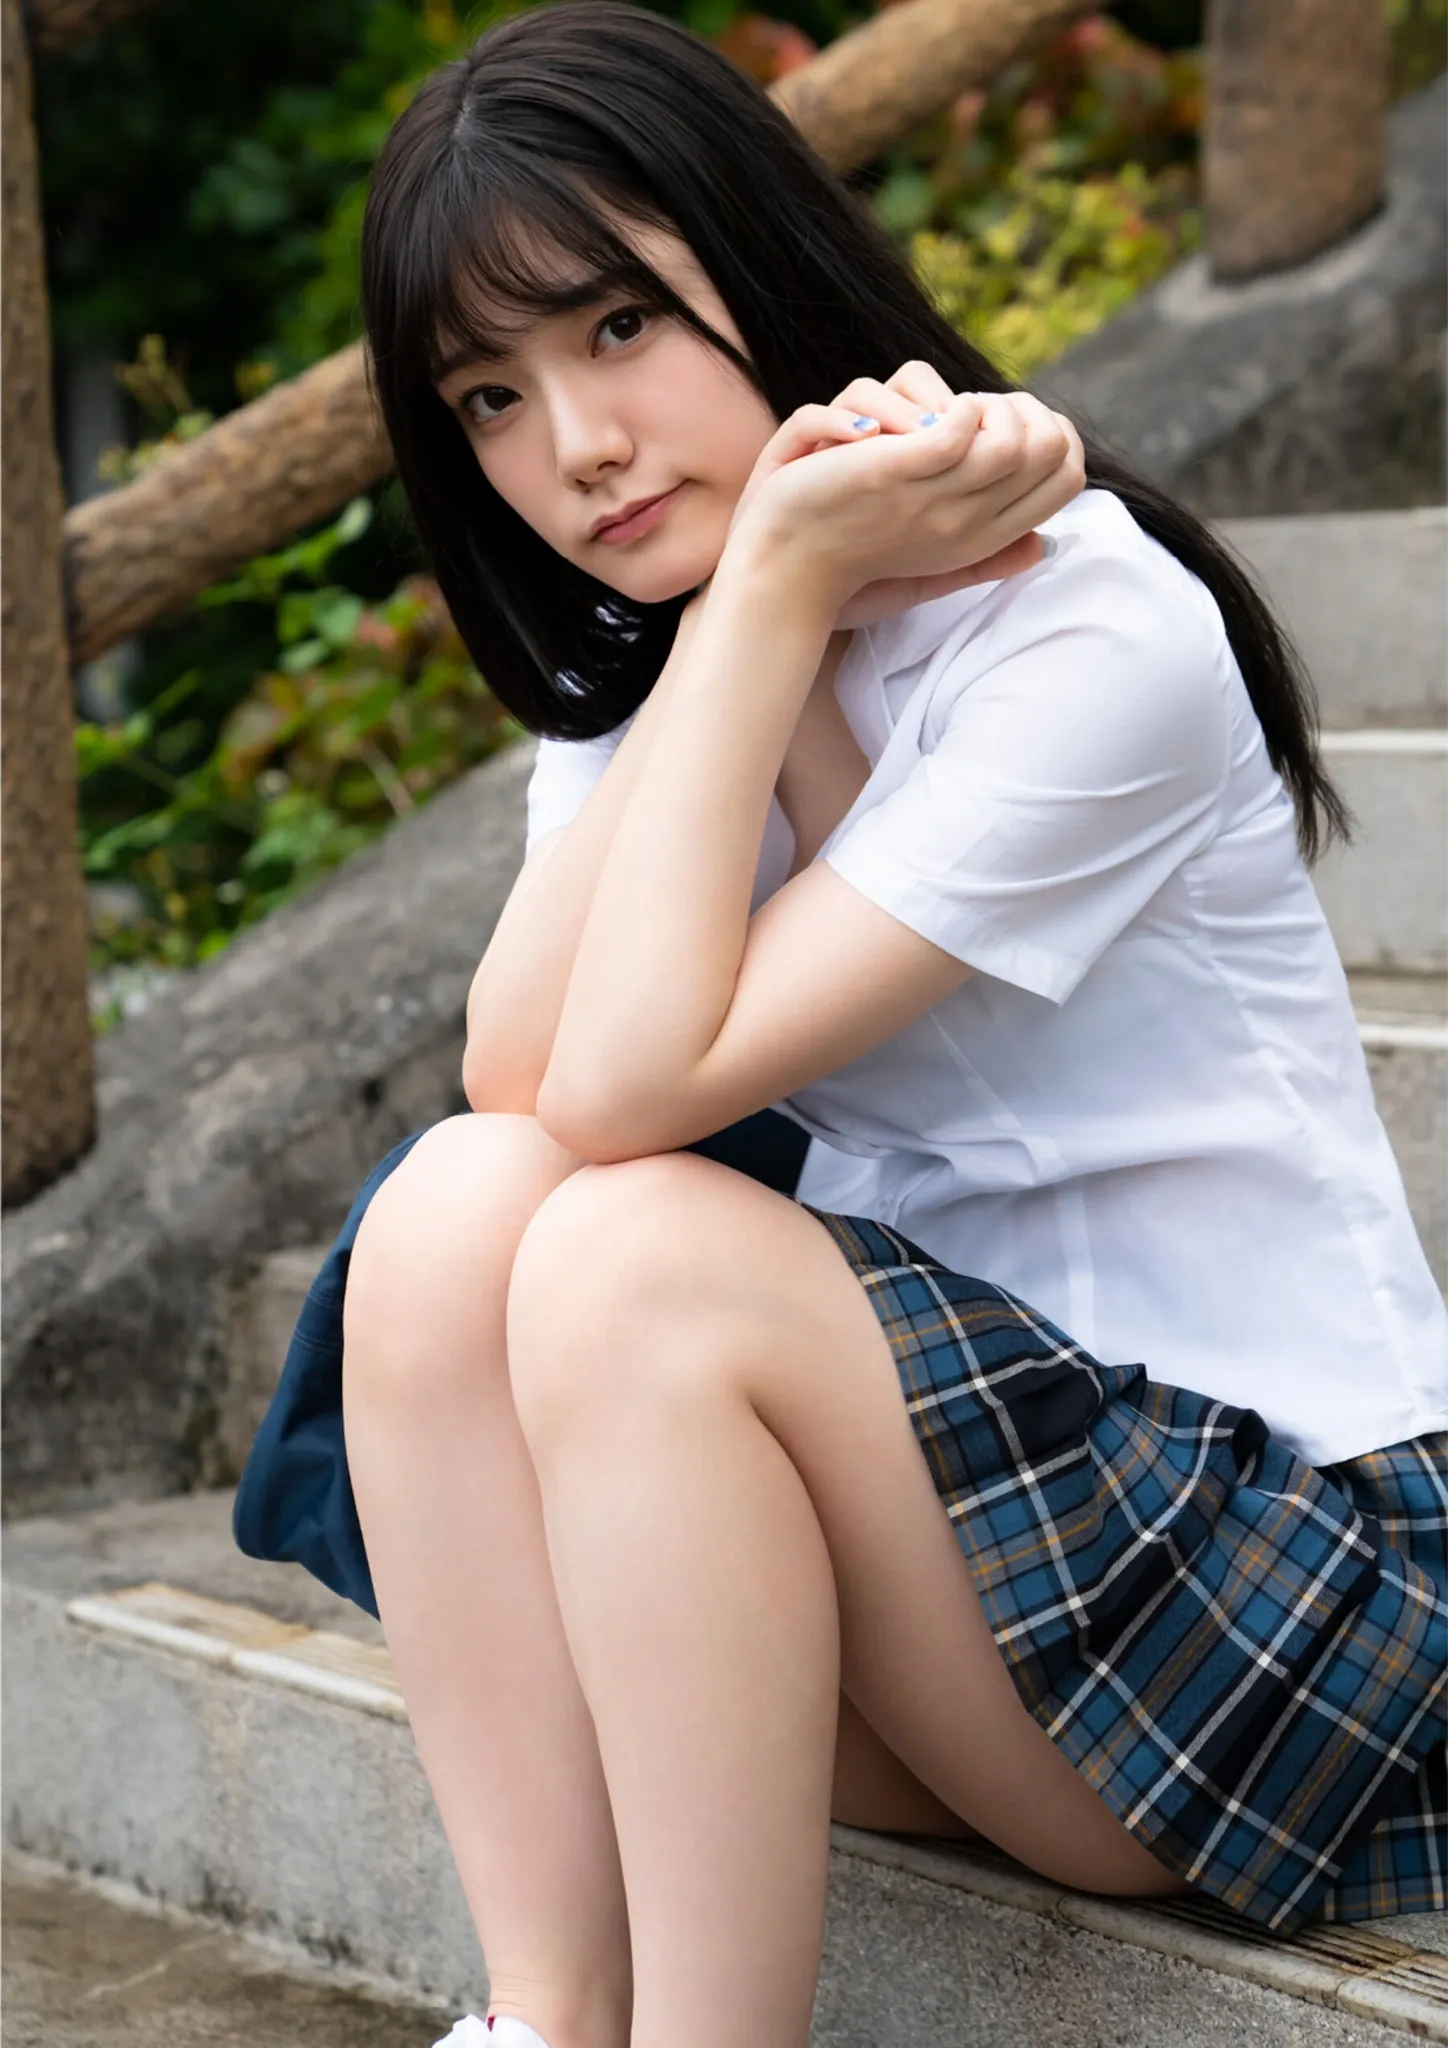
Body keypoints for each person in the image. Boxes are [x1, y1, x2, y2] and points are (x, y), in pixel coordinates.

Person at [231, 7, 1448, 2046]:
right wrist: (758, 614)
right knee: (452, 1213)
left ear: (758, 252)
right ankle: (547, 2012)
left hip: (1282, 1595)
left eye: (620, 325)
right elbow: (515, 1082)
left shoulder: (1082, 621)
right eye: (491, 396)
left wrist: (775, 595)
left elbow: (628, 1091)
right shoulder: (693, 644)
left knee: (627, 1254)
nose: (574, 446)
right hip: (976, 1584)